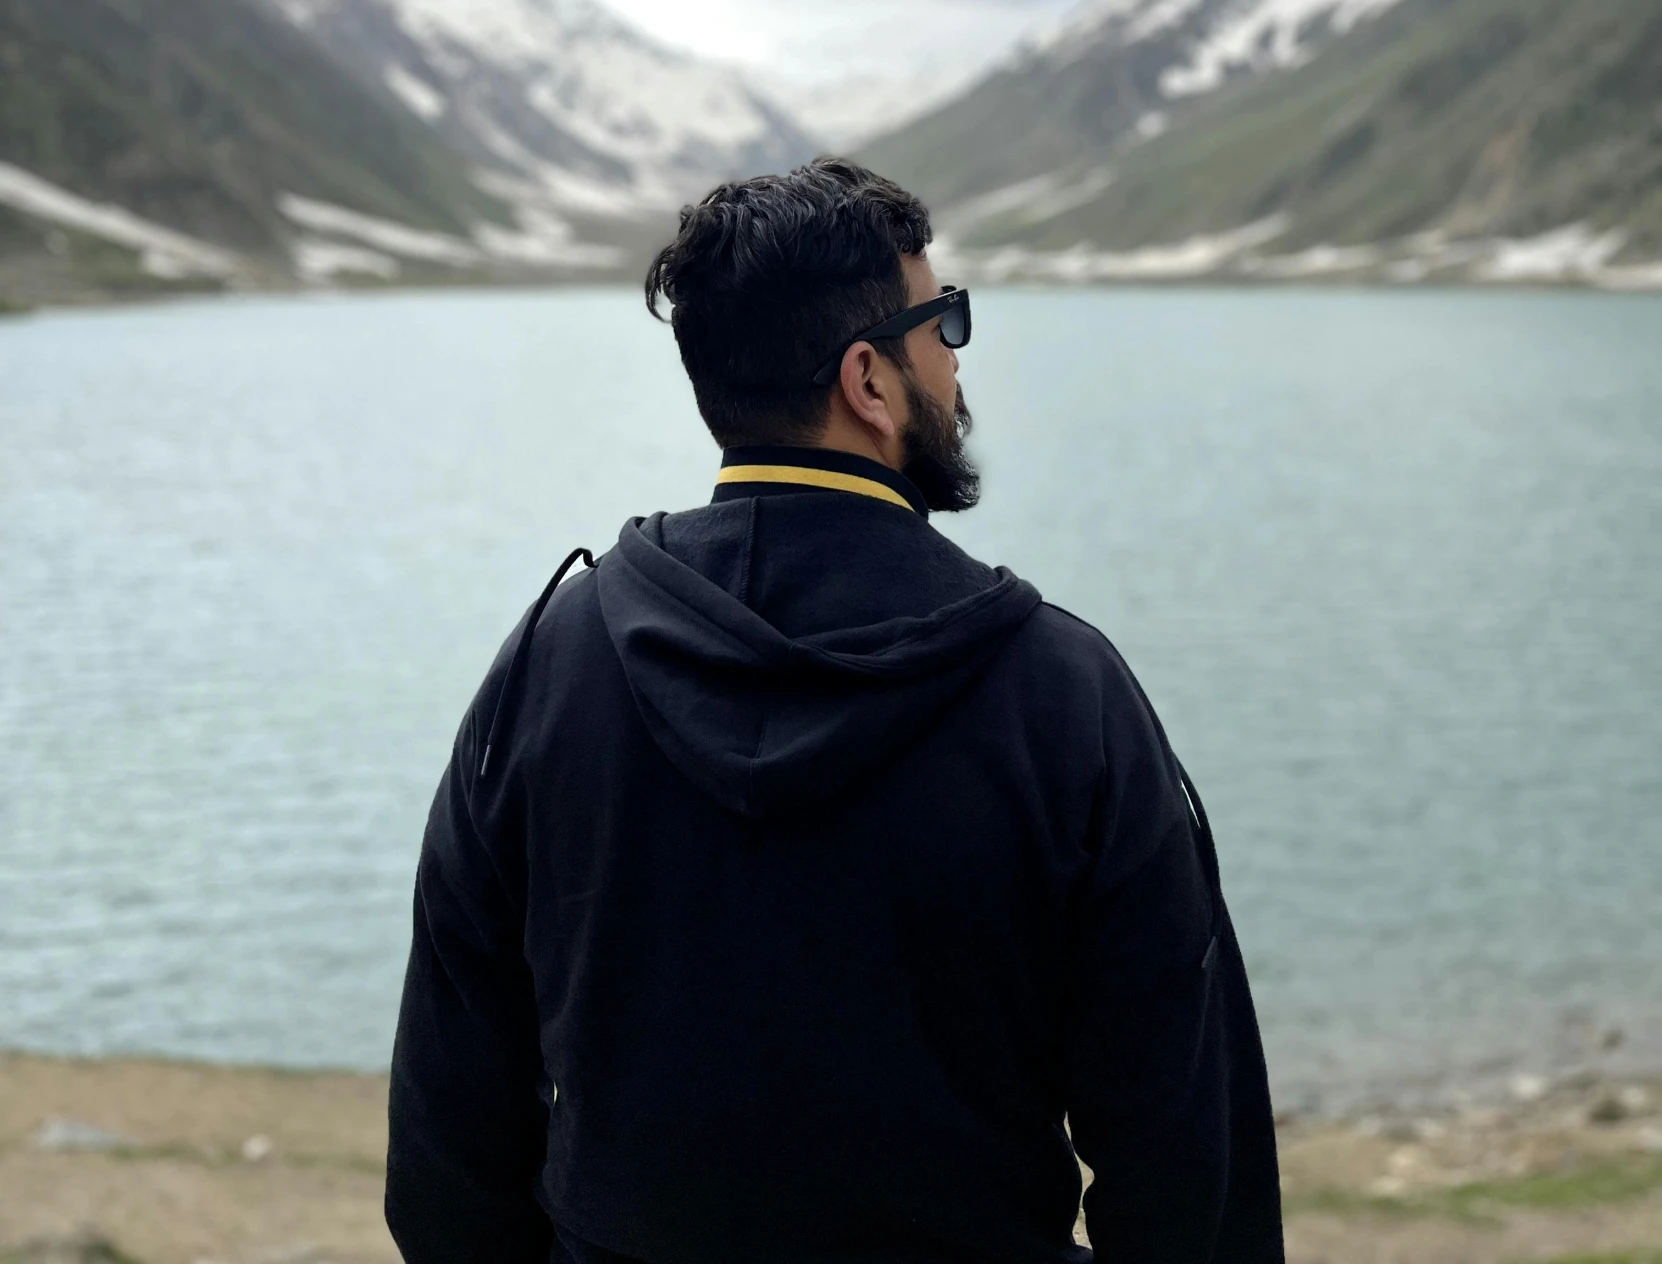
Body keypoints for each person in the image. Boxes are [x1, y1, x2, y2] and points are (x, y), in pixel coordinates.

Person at [385, 156, 1283, 1264]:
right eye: (941, 324)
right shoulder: (1062, 690)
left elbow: (446, 1136)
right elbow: (1191, 1161)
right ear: (867, 377)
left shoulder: (547, 664)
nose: (954, 364)